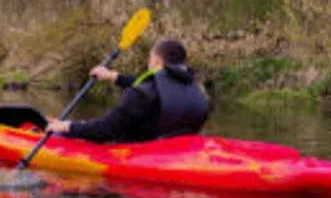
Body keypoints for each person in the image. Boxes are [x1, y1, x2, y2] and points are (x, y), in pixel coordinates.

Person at [46, 38, 211, 143]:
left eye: (150, 58)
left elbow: (107, 129)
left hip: (139, 152)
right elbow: (148, 87)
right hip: (177, 150)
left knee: (62, 134)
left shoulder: (143, 93)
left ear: (156, 61)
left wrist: (67, 126)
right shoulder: (195, 88)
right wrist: (112, 76)